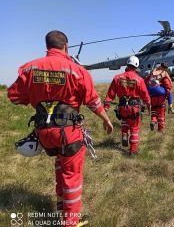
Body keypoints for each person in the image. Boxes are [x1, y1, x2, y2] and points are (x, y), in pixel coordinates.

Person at [7, 30, 113, 227]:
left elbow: (13, 96)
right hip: (68, 133)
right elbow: (92, 100)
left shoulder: (30, 68)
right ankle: (70, 222)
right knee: (72, 177)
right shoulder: (76, 70)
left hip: (44, 134)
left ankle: (60, 211)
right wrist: (106, 119)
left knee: (59, 167)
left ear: (47, 47)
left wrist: (34, 99)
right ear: (66, 46)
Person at [104, 56, 150, 156]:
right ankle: (132, 151)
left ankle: (124, 135)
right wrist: (148, 105)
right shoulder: (139, 80)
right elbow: (145, 95)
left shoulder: (117, 78)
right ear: (136, 65)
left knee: (125, 120)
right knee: (134, 129)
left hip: (122, 106)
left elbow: (110, 93)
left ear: (127, 64)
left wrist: (106, 106)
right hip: (134, 108)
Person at [145, 64, 172, 132]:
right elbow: (168, 85)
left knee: (154, 110)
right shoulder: (163, 74)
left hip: (152, 95)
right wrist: (168, 95)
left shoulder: (151, 75)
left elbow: (145, 83)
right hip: (160, 96)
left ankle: (153, 120)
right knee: (161, 113)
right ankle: (161, 130)